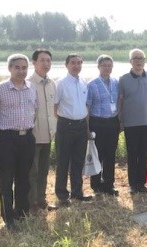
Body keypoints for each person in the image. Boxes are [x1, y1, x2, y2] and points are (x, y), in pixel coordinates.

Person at [0, 54, 37, 229]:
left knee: (24, 178)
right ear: (10, 68)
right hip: (6, 140)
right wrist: (4, 131)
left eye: (24, 68)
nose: (21, 71)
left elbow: (35, 111)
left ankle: (21, 213)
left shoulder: (31, 88)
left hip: (27, 138)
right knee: (6, 178)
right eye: (17, 67)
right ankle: (8, 216)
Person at [118, 48, 147, 194]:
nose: (138, 61)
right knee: (132, 154)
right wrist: (120, 120)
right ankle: (133, 185)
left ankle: (141, 183)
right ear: (130, 62)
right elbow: (120, 101)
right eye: (135, 58)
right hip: (130, 124)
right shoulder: (123, 79)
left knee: (143, 154)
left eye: (141, 58)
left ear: (145, 61)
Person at [55, 53, 92, 205]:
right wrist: (64, 121)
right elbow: (54, 106)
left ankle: (77, 193)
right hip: (66, 126)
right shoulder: (60, 83)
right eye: (73, 63)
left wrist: (85, 126)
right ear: (66, 65)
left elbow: (84, 106)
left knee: (78, 161)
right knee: (63, 162)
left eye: (79, 63)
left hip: (81, 126)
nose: (76, 66)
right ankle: (62, 194)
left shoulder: (83, 82)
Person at [28, 49, 58, 214]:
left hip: (48, 134)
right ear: (34, 62)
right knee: (32, 172)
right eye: (42, 60)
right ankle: (31, 203)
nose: (46, 64)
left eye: (48, 60)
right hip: (33, 135)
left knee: (43, 171)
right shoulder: (28, 83)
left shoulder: (52, 83)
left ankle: (41, 200)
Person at [87, 54, 121, 196]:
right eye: (104, 65)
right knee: (98, 154)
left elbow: (119, 101)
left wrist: (120, 121)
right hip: (97, 123)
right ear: (98, 67)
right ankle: (96, 185)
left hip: (112, 122)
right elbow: (87, 107)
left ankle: (109, 184)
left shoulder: (115, 82)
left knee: (110, 154)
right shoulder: (92, 84)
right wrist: (87, 128)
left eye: (109, 65)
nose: (107, 68)